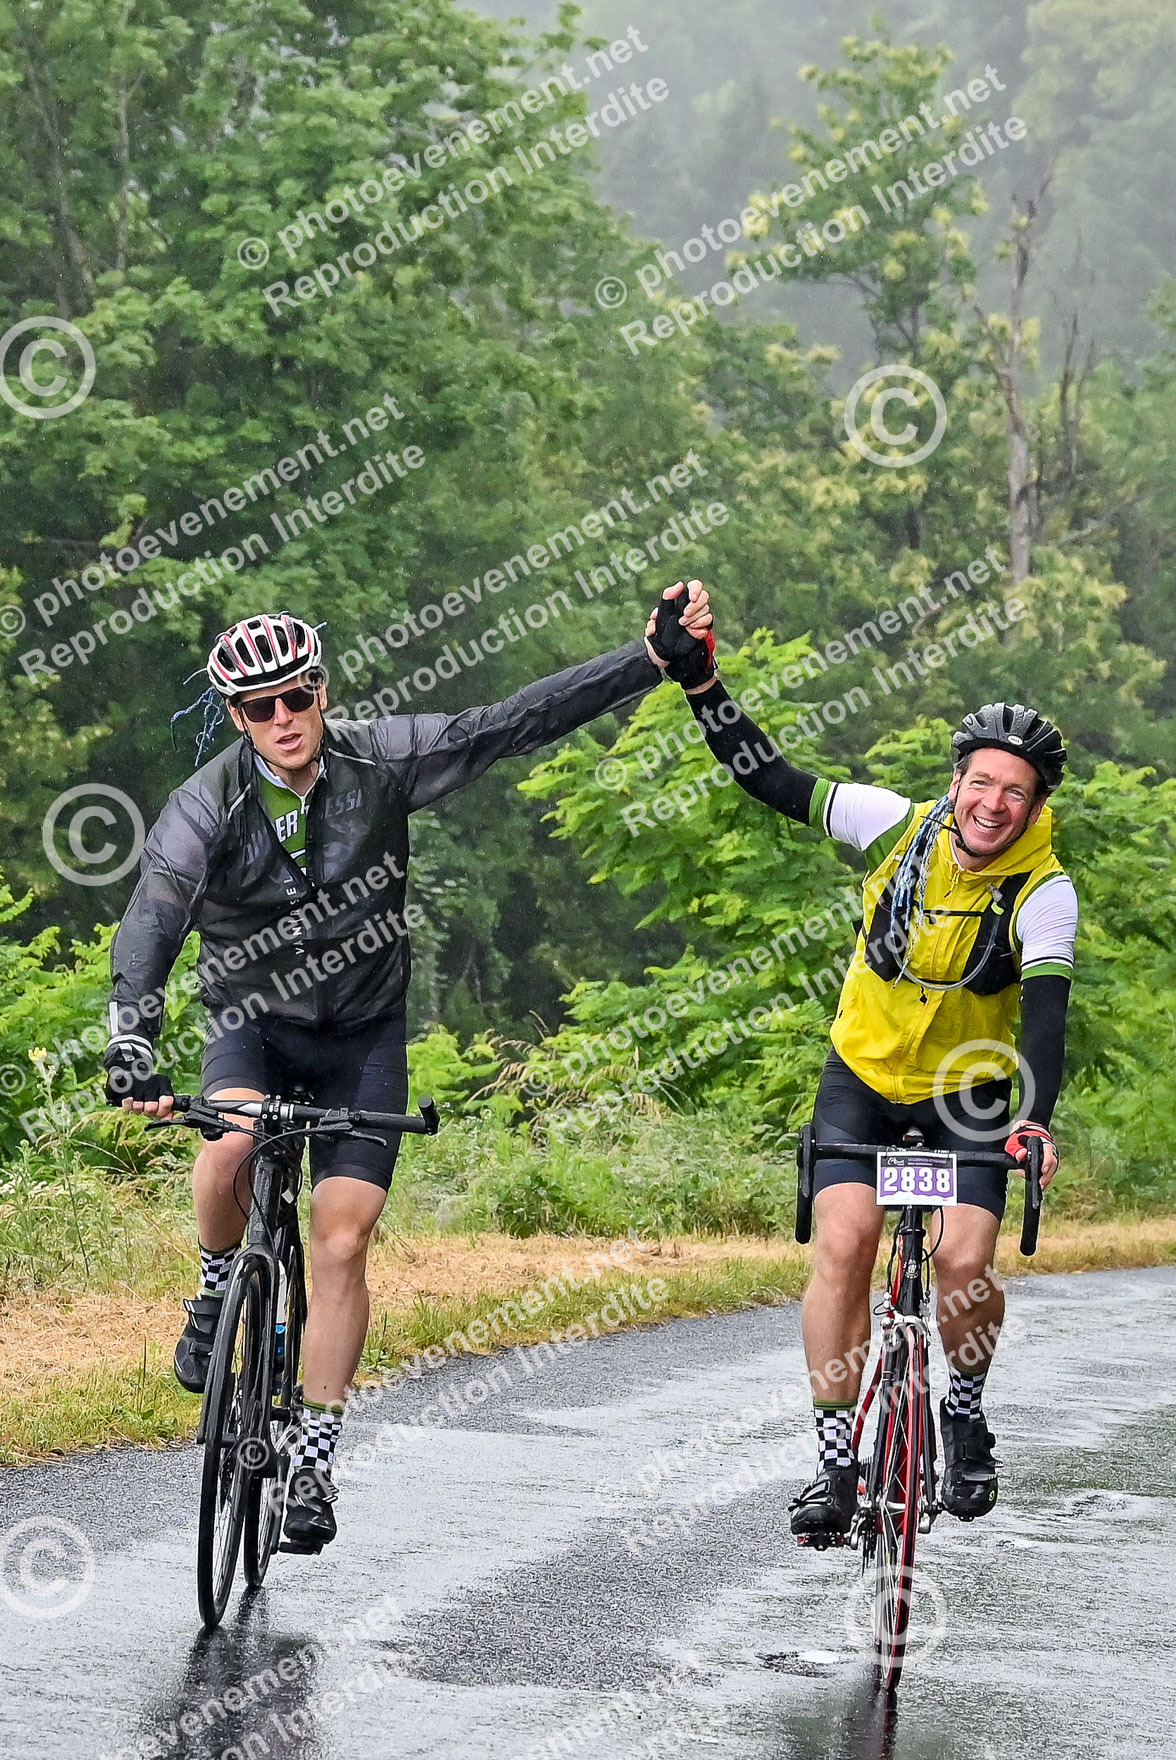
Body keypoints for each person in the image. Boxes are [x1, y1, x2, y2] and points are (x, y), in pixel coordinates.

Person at [105, 593, 710, 1552]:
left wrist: (650, 661)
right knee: (228, 1147)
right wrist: (131, 1039)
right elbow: (152, 921)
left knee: (342, 1239)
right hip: (253, 1028)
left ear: (322, 691)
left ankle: (313, 1459)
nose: (283, 718)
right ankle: (218, 1286)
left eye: (296, 696)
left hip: (361, 1038)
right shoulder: (204, 805)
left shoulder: (381, 761)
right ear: (236, 717)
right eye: (259, 707)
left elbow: (508, 724)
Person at [644, 593, 1076, 1537]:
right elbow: (772, 778)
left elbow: (1046, 1015)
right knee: (842, 1251)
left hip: (969, 1097)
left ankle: (963, 1415)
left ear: (1036, 806)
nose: (993, 803)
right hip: (864, 1079)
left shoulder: (1045, 892)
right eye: (981, 782)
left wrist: (1033, 1120)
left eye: (1015, 792)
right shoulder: (894, 825)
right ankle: (835, 1464)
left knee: (963, 1260)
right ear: (956, 780)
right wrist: (702, 683)